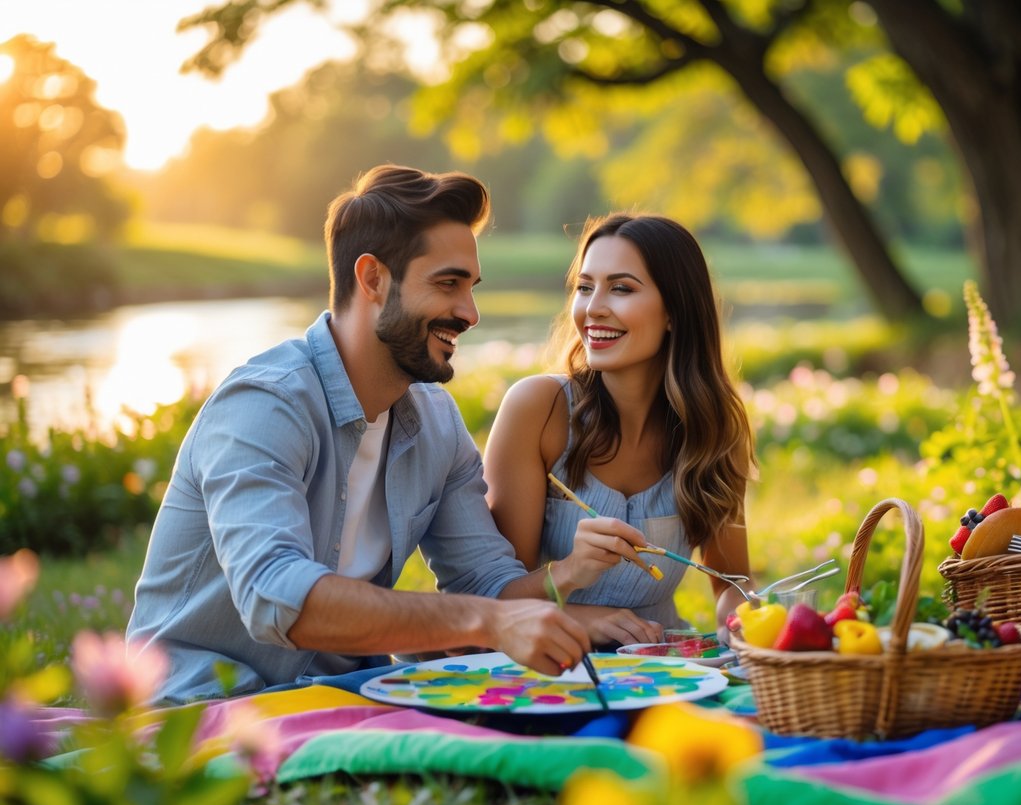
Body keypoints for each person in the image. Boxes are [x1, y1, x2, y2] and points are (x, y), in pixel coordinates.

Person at [127, 165, 625, 704]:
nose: (470, 313)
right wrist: (487, 621)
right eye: (447, 283)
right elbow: (276, 597)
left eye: (471, 288)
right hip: (197, 708)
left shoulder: (436, 423)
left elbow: (488, 586)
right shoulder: (265, 404)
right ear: (372, 279)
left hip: (342, 696)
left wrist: (568, 582)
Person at [483, 213, 755, 641]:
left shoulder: (713, 430)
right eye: (585, 287)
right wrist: (579, 613)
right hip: (548, 672)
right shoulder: (538, 410)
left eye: (622, 288)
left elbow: (732, 584)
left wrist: (746, 619)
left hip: (663, 669)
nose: (593, 308)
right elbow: (493, 594)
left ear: (674, 312)